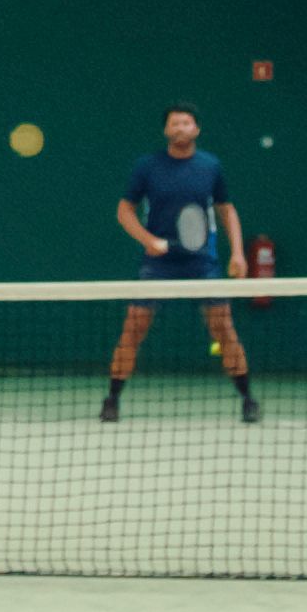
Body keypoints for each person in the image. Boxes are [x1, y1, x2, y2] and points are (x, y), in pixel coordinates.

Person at [101, 104, 255, 424]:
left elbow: (226, 210)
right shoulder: (147, 167)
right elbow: (124, 210)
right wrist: (148, 240)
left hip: (203, 262)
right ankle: (112, 399)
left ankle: (247, 398)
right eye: (174, 123)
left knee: (223, 329)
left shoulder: (211, 166)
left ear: (196, 129)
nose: (180, 128)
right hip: (158, 263)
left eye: (186, 123)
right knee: (133, 328)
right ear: (166, 130)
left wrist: (238, 253)